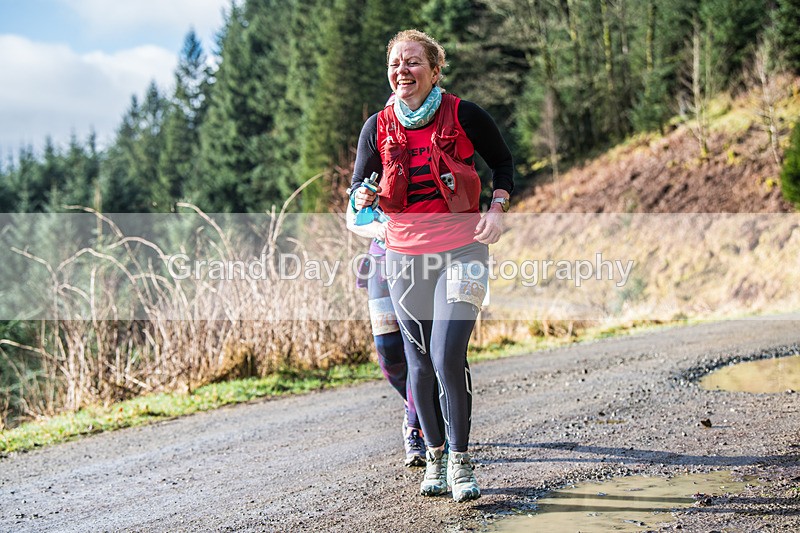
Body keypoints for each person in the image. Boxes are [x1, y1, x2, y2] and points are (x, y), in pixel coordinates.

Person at [350, 29, 513, 503]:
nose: (403, 71)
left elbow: (502, 162)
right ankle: (436, 456)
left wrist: (498, 205)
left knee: (446, 355)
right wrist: (360, 194)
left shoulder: (463, 113)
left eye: (414, 62)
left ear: (435, 70)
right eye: (396, 64)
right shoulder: (376, 127)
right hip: (403, 258)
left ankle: (462, 463)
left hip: (463, 251)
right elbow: (361, 185)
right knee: (419, 362)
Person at [345, 207, 426, 468]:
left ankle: (415, 427)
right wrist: (380, 229)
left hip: (423, 261)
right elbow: (353, 219)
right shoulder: (371, 167)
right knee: (387, 349)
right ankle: (419, 404)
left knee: (417, 348)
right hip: (380, 260)